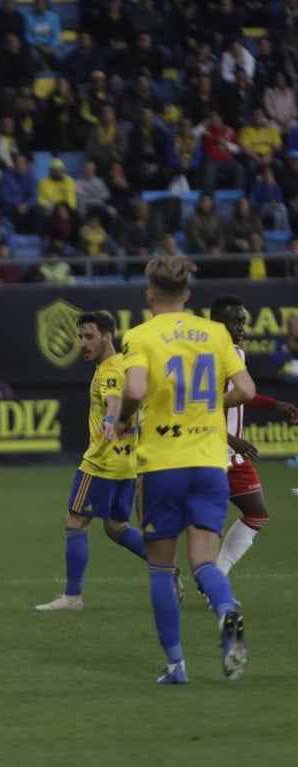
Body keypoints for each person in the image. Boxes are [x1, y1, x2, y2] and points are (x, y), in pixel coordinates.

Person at [119, 255, 255, 684]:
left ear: (149, 293)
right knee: (204, 562)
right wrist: (214, 405)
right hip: (210, 463)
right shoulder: (215, 333)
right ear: (188, 295)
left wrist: (122, 418)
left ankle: (177, 665)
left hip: (163, 464)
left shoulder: (140, 335)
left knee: (161, 566)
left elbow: (136, 388)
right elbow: (247, 389)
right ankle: (227, 610)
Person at [36, 312, 183, 611]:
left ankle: (73, 597)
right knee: (116, 527)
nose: (82, 343)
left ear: (107, 336)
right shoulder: (128, 364)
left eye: (89, 336)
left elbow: (114, 399)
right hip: (128, 463)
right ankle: (165, 565)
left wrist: (111, 420)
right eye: (79, 336)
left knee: (75, 522)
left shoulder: (109, 369)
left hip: (101, 461)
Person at [209, 297, 298, 575]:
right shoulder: (210, 357)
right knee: (207, 526)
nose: (242, 327)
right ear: (217, 323)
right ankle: (188, 573)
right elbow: (201, 407)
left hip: (233, 456)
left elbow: (241, 394)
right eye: (235, 321)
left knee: (257, 514)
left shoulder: (235, 352)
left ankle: (216, 575)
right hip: (210, 452)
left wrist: (275, 404)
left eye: (243, 321)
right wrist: (229, 437)